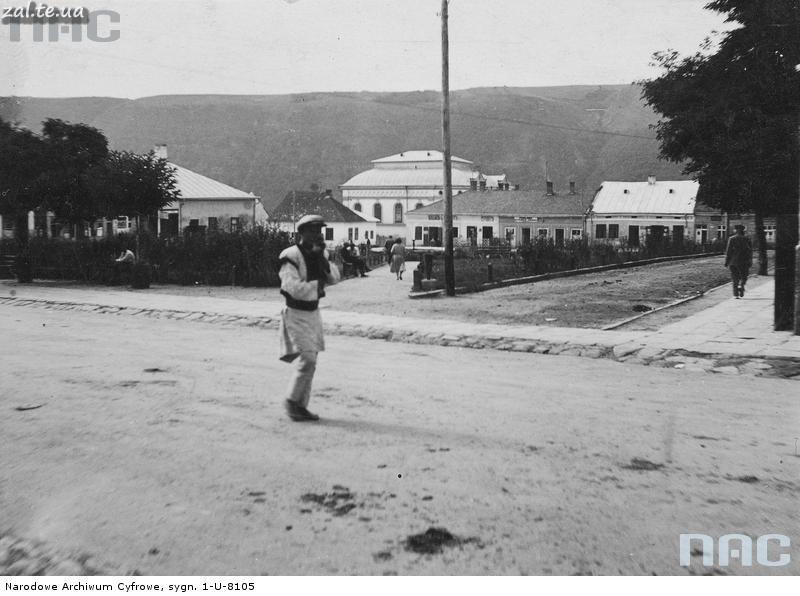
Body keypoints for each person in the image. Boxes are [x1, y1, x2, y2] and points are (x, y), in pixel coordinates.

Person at [278, 214, 341, 421]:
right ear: (301, 233)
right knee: (308, 359)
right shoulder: (291, 255)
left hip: (313, 313)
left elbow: (334, 278)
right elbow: (291, 287)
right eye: (311, 230)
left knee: (311, 361)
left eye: (318, 231)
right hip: (296, 313)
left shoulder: (320, 254)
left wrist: (321, 259)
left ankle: (300, 405)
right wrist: (317, 285)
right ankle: (291, 401)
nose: (316, 234)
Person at [724, 224, 753, 299]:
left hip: (733, 262)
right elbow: (750, 251)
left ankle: (736, 294)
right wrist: (750, 260)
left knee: (734, 277)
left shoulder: (731, 238)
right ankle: (741, 285)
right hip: (744, 261)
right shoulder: (747, 239)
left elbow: (728, 251)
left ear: (736, 230)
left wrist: (726, 262)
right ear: (743, 231)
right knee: (744, 276)